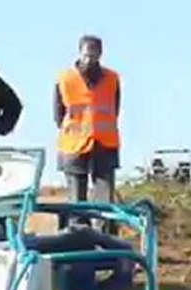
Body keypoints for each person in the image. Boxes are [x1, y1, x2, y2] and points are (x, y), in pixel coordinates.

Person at [54, 35, 121, 211]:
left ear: (100, 54)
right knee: (77, 203)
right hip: (73, 146)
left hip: (105, 144)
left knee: (105, 204)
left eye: (93, 55)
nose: (89, 59)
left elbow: (115, 108)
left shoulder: (112, 78)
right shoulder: (65, 78)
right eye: (86, 55)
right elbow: (58, 114)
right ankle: (78, 233)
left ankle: (103, 236)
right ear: (79, 53)